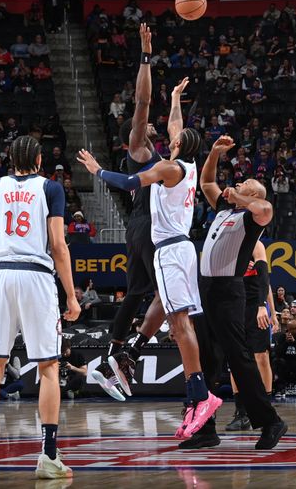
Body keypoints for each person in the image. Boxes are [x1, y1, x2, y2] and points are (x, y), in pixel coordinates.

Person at [78, 110, 221, 442]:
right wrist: (173, 99)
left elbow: (128, 182)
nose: (171, 135)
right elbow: (176, 127)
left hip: (170, 249)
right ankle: (134, 350)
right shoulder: (188, 165)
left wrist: (97, 170)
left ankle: (200, 394)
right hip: (183, 248)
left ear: (177, 144)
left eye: (175, 136)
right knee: (166, 305)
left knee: (180, 325)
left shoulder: (167, 167)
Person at [0, 135, 81, 481]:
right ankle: (47, 456)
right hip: (35, 276)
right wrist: (72, 295)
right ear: (40, 160)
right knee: (48, 367)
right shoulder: (51, 188)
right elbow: (59, 246)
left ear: (10, 160)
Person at [184, 134, 287, 450]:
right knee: (205, 361)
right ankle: (205, 427)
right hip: (206, 289)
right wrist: (214, 153)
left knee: (239, 358)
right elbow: (206, 183)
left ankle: (271, 421)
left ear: (251, 193)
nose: (237, 185)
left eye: (244, 185)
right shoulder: (225, 209)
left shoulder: (251, 217)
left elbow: (266, 207)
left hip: (229, 291)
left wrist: (242, 198)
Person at [87, 24, 169, 403]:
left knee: (135, 293)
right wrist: (146, 55)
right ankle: (132, 352)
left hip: (140, 226)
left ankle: (109, 359)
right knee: (168, 297)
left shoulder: (151, 154)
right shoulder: (139, 147)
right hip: (151, 226)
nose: (151, 121)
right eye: (145, 124)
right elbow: (142, 101)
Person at [225, 241, 279, 431]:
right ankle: (241, 413)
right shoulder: (228, 248)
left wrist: (272, 313)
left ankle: (266, 409)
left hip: (256, 307)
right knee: (235, 359)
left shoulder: (256, 246)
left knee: (261, 356)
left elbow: (266, 283)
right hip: (235, 305)